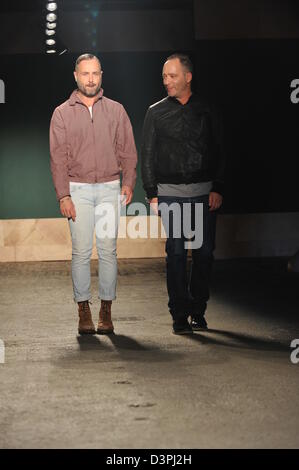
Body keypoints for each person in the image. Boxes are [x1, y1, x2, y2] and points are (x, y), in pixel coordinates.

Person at [50, 53, 137, 335]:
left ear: (101, 76)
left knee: (109, 252)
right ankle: (83, 310)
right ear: (76, 76)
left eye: (95, 73)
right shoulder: (62, 113)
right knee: (81, 253)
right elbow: (58, 159)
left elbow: (128, 150)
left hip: (111, 188)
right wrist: (64, 195)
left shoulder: (116, 110)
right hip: (78, 190)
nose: (90, 79)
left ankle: (106, 311)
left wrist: (129, 182)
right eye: (85, 74)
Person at [141, 53, 225, 335]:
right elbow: (148, 154)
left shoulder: (207, 109)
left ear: (188, 77)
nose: (167, 81)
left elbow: (220, 149)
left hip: (204, 194)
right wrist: (152, 193)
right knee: (175, 252)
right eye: (164, 76)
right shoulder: (155, 112)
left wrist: (218, 188)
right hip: (170, 194)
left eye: (172, 75)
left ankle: (198, 310)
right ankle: (178, 314)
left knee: (203, 253)